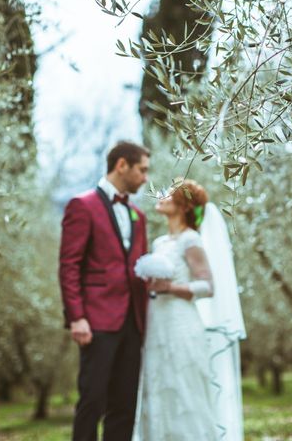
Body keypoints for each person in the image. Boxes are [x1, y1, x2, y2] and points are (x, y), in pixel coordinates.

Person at [134, 179, 246, 441]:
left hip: (181, 324)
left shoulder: (190, 240)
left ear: (183, 206)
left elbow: (208, 286)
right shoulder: (161, 242)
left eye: (169, 195)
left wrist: (170, 288)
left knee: (183, 390)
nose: (161, 197)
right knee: (157, 388)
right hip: (156, 324)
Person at [59, 141, 150, 441]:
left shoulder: (139, 215)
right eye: (142, 170)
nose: (145, 178)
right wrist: (77, 317)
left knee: (124, 405)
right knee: (92, 401)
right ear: (122, 165)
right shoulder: (81, 205)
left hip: (133, 323)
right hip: (96, 321)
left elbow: (139, 266)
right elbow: (69, 266)